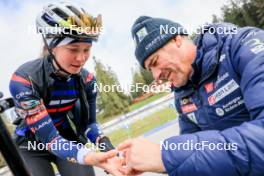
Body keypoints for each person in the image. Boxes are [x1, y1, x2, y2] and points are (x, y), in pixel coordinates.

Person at [117, 16, 264, 176]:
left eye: (155, 61)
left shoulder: (244, 47)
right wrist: (152, 161)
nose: (156, 75)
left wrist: (166, 156)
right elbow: (193, 156)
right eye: (149, 70)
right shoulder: (182, 94)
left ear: (176, 40)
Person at [9, 2, 123, 176]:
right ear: (51, 46)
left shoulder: (88, 80)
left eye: (87, 49)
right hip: (30, 144)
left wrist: (107, 148)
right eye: (73, 49)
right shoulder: (25, 79)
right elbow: (50, 139)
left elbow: (89, 124)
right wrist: (90, 157)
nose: (81, 58)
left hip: (65, 136)